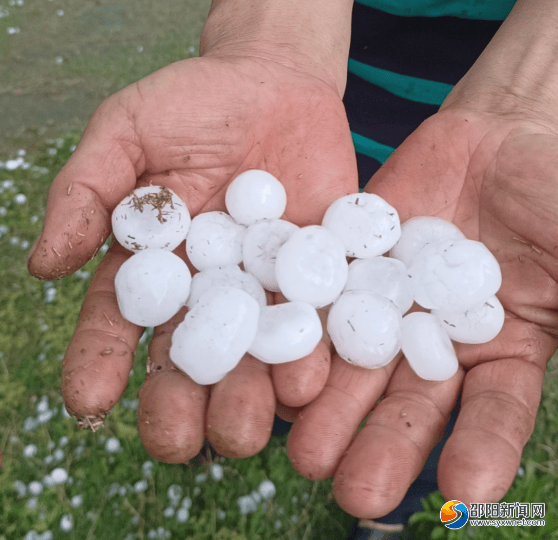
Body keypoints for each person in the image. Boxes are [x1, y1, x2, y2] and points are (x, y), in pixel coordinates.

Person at [26, 0, 558, 537]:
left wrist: (536, 101)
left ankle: (391, 510)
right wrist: (269, 43)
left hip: (465, 155)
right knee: (292, 380)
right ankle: (255, 421)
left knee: (427, 408)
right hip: (316, 119)